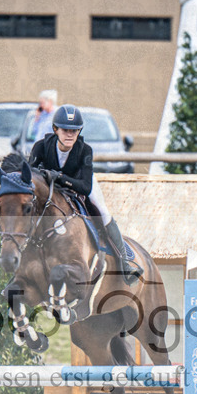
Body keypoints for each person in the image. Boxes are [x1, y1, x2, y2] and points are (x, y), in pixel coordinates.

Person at [29, 104, 143, 284]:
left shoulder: (85, 150)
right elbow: (30, 178)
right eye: (65, 130)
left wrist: (60, 177)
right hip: (50, 189)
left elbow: (85, 187)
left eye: (74, 131)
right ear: (55, 129)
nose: (69, 135)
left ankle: (125, 263)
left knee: (102, 211)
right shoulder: (41, 147)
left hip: (79, 184)